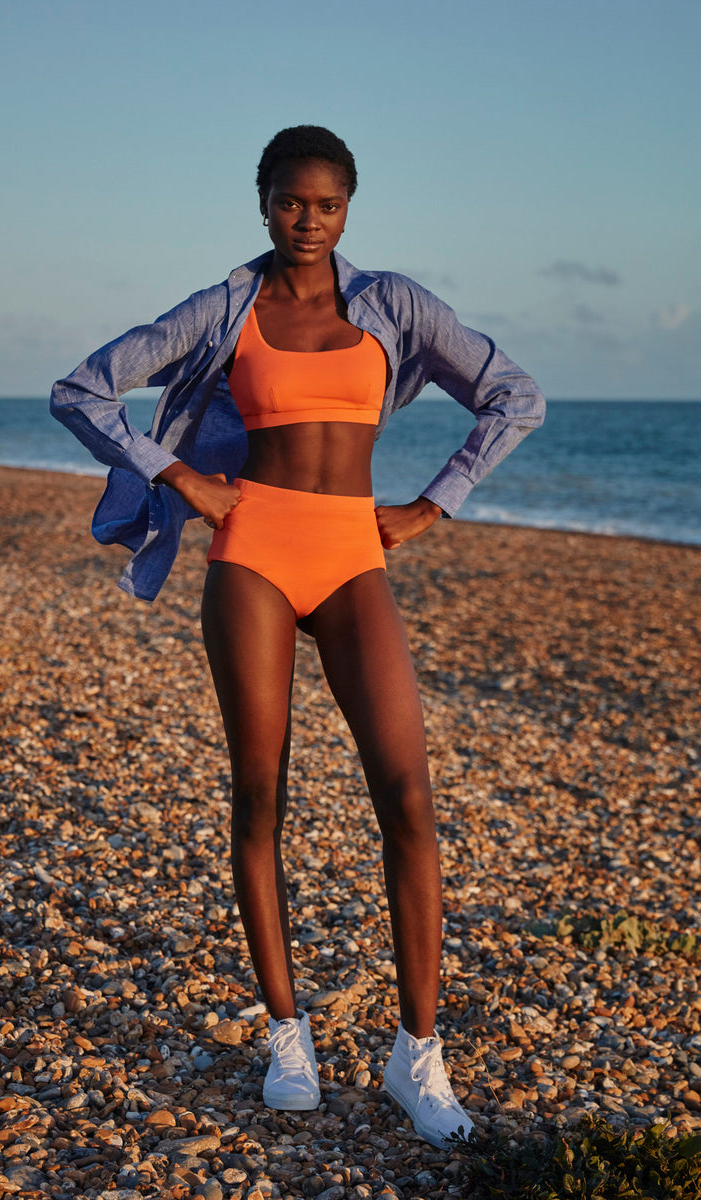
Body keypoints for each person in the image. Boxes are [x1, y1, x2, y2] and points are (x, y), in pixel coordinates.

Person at [51, 125, 545, 1147]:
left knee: (406, 794)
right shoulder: (228, 307)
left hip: (352, 552)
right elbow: (83, 387)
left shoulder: (392, 304)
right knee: (259, 792)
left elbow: (513, 396)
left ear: (349, 206)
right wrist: (176, 475)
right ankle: (289, 1034)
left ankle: (417, 1056)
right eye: (289, 201)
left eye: (326, 204)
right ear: (263, 200)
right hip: (253, 552)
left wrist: (429, 505)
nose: (307, 220)